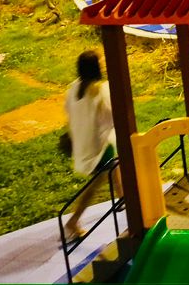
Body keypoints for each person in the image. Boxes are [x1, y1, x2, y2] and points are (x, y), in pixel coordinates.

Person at [63, 50, 117, 241]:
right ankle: (73, 220)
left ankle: (123, 198)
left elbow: (68, 110)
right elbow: (109, 116)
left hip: (82, 140)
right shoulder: (100, 90)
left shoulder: (74, 88)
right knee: (99, 179)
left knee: (115, 167)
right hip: (98, 143)